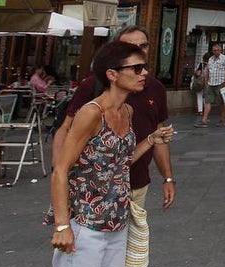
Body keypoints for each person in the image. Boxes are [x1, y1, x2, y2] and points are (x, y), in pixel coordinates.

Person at [50, 40, 175, 267]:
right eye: (137, 68)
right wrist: (62, 225)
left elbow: (119, 162)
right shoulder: (91, 113)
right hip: (86, 223)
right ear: (112, 74)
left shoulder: (127, 111)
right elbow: (61, 169)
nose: (143, 74)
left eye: (144, 68)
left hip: (117, 220)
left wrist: (151, 140)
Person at [53, 27, 175, 221]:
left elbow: (125, 156)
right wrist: (60, 175)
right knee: (89, 244)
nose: (138, 50)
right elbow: (65, 130)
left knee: (127, 248)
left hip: (134, 184)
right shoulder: (92, 92)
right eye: (130, 47)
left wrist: (167, 177)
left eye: (143, 45)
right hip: (92, 192)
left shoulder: (148, 95)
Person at [195, 44, 225, 128]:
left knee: (221, 102)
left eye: (217, 50)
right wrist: (206, 80)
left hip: (220, 82)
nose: (216, 52)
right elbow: (207, 70)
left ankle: (222, 119)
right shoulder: (210, 59)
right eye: (214, 50)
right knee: (208, 101)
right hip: (211, 83)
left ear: (220, 50)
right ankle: (204, 120)